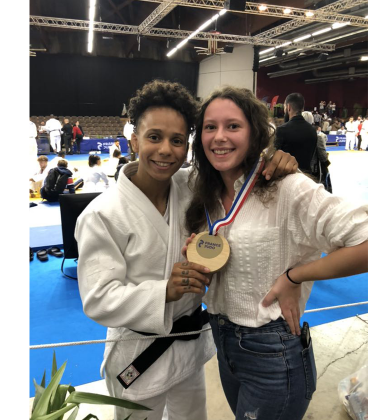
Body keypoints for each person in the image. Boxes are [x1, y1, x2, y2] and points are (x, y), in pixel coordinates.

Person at [74, 80, 299, 420]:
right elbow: (98, 298)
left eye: (177, 140)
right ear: (134, 140)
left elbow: (236, 172)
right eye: (154, 137)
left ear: (187, 146)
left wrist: (272, 159)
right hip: (140, 353)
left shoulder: (190, 186)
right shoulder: (102, 215)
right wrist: (164, 291)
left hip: (189, 346)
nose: (166, 149)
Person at [184, 86, 368, 420]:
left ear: (254, 133)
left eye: (233, 126)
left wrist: (295, 276)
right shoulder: (204, 191)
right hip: (222, 342)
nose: (219, 137)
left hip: (273, 353)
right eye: (210, 127)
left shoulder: (287, 188)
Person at [274, 93, 318, 174]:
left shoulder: (281, 130)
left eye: (284, 108)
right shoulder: (312, 130)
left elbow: (274, 158)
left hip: (288, 179)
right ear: (302, 108)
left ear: (288, 107)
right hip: (308, 177)